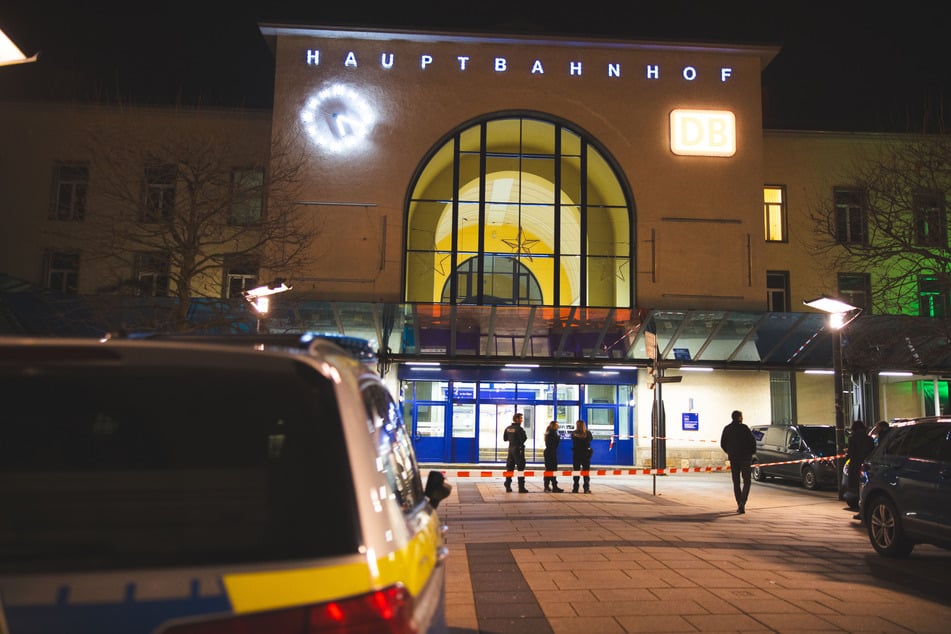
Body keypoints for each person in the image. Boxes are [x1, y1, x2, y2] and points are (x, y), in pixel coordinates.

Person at [720, 410, 756, 514]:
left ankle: (739, 502)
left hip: (734, 458)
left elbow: (723, 443)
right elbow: (752, 441)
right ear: (739, 417)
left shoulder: (727, 429)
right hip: (745, 458)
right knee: (747, 481)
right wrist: (751, 452)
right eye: (742, 416)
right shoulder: (745, 428)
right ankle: (743, 502)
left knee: (736, 482)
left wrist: (730, 452)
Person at [844, 419, 875, 510]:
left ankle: (858, 507)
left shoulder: (852, 439)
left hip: (855, 465)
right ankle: (865, 506)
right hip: (866, 465)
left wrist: (847, 458)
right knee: (864, 485)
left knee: (855, 486)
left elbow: (851, 453)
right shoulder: (869, 439)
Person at [502, 412, 528, 493]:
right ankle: (521, 487)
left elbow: (505, 439)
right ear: (516, 419)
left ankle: (507, 484)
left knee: (510, 468)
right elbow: (524, 438)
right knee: (520, 468)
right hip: (518, 449)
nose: (522, 420)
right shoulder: (519, 429)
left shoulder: (508, 428)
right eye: (520, 418)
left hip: (510, 449)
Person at [571, 419, 593, 493]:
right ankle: (586, 488)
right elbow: (590, 439)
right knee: (586, 472)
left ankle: (575, 488)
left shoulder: (574, 433)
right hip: (585, 455)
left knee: (576, 471)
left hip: (577, 454)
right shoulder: (588, 433)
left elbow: (573, 439)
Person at [543, 420, 565, 492]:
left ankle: (547, 486)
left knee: (548, 469)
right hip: (551, 453)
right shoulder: (553, 433)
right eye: (557, 425)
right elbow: (556, 443)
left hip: (548, 452)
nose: (558, 426)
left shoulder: (548, 432)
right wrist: (558, 438)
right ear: (554, 425)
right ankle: (554, 487)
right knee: (553, 469)